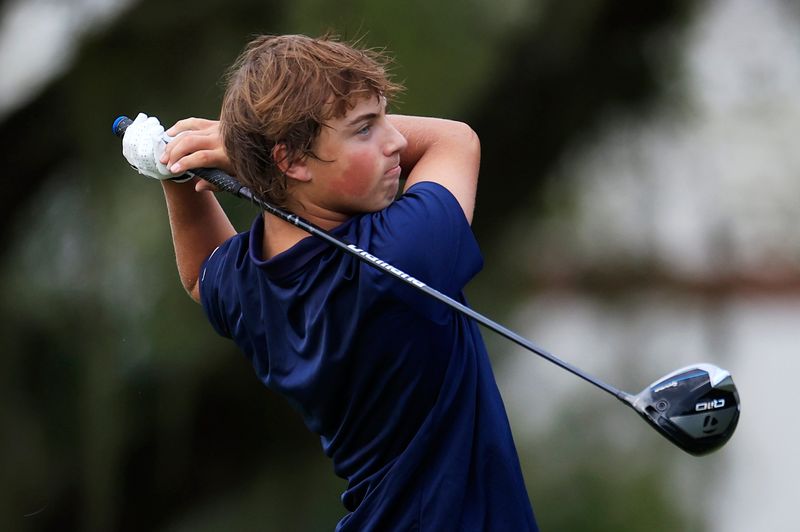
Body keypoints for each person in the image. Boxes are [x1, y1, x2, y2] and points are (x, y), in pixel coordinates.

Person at [122, 33, 538, 531]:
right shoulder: (401, 252)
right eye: (365, 129)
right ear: (292, 161)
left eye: (385, 117)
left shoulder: (248, 283)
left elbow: (200, 273)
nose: (397, 142)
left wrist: (178, 173)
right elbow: (455, 140)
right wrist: (239, 145)